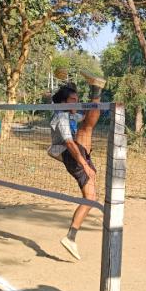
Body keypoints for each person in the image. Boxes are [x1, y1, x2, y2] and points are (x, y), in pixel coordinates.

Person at [49, 71, 105, 260]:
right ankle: (96, 90)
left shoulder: (70, 115)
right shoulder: (61, 117)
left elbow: (88, 117)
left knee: (90, 198)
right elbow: (70, 144)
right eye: (73, 100)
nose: (76, 102)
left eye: (77, 99)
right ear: (64, 102)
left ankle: (71, 237)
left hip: (78, 154)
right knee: (87, 129)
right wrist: (85, 165)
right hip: (73, 155)